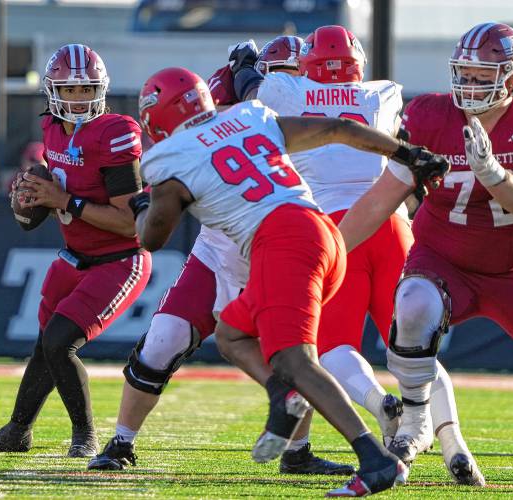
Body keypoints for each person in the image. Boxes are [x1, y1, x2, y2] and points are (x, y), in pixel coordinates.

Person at [130, 66, 448, 496]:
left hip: (283, 244)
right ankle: (284, 397)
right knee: (232, 332)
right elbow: (339, 128)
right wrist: (408, 155)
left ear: (155, 116)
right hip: (324, 234)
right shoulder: (247, 118)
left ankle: (376, 460)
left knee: (297, 360)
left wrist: (140, 205)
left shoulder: (168, 158)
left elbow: (152, 237)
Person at [87, 35, 354, 477]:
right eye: (278, 69)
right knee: (163, 338)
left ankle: (301, 449)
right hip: (220, 247)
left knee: (290, 354)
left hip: (280, 248)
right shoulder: (240, 99)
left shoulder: (299, 103)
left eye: (295, 69)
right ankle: (121, 441)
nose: (288, 77)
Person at [228, 27, 484, 485]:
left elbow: (250, 91)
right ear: (357, 64)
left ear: (308, 65)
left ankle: (376, 402)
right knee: (413, 351)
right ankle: (455, 445)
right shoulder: (380, 95)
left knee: (330, 348)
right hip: (389, 221)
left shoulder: (287, 89)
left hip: (334, 231)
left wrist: (244, 64)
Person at [337, 22, 513, 482]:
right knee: (414, 305)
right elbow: (380, 201)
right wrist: (327, 256)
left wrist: (494, 173)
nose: (470, 84)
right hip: (441, 260)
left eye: (484, 76)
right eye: (465, 72)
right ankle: (418, 421)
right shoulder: (430, 117)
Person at [0, 44, 151, 458]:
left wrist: (63, 200)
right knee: (45, 344)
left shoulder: (116, 132)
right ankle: (17, 431)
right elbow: (47, 200)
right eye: (69, 89)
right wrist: (29, 199)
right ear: (52, 91)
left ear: (100, 90)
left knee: (61, 340)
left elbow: (129, 221)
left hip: (120, 260)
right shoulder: (51, 128)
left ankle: (85, 434)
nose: (79, 99)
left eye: (87, 90)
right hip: (74, 256)